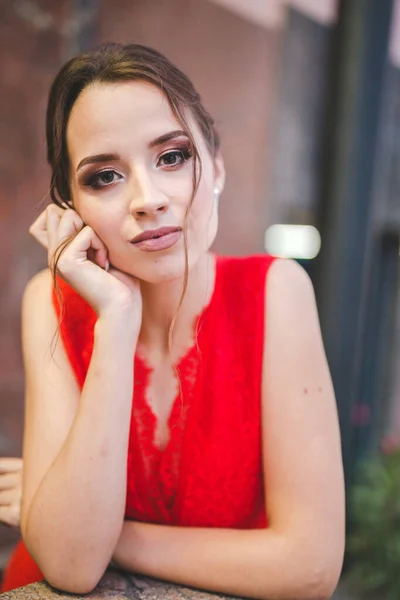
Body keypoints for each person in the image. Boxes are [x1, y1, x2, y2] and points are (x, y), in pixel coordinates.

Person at [0, 42, 345, 598]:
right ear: (70, 209)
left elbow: (309, 567)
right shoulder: (52, 300)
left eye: (172, 156)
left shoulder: (276, 292)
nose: (147, 199)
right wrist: (115, 319)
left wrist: (101, 532)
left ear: (217, 167)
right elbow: (67, 565)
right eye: (104, 177)